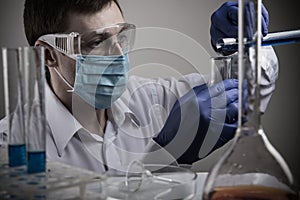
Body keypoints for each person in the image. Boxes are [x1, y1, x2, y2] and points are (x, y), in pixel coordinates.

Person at [0, 0, 278, 173]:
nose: (119, 54)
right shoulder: (11, 147)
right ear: (48, 54)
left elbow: (250, 88)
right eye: (97, 42)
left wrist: (248, 41)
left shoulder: (153, 100)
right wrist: (165, 156)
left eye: (121, 36)